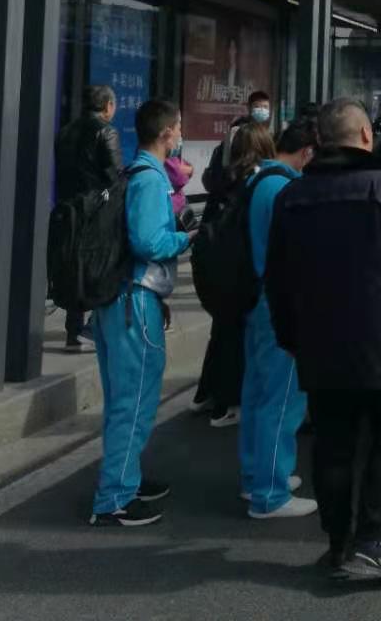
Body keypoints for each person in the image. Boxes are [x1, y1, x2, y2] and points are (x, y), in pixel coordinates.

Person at [264, 98, 381, 582]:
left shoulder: (291, 196)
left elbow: (277, 279)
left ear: (320, 141)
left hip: (320, 346)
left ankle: (339, 543)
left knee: (332, 445)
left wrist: (290, 336)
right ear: (367, 135)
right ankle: (370, 540)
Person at [88, 99, 192, 527]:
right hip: (135, 302)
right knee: (134, 402)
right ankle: (114, 497)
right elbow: (149, 242)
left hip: (117, 299)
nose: (181, 134)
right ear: (166, 133)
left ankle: (124, 479)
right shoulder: (151, 180)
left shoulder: (132, 172)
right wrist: (184, 238)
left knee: (122, 400)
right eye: (179, 127)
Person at [238, 120, 318, 518]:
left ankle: (257, 477)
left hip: (257, 299)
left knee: (257, 394)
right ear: (307, 153)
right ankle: (270, 493)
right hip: (280, 303)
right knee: (282, 399)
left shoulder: (259, 180)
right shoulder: (287, 188)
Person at [190, 120, 275, 427]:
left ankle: (206, 394)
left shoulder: (221, 176)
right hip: (241, 272)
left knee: (221, 334)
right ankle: (226, 404)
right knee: (235, 340)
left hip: (216, 268)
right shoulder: (255, 181)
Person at [53, 85, 122, 351]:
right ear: (108, 106)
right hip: (97, 210)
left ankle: (74, 331)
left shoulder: (66, 131)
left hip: (69, 209)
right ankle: (93, 328)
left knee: (75, 267)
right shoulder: (106, 131)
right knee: (102, 267)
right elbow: (114, 174)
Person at [202, 90, 273, 200]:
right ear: (249, 108)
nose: (262, 110)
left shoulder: (269, 133)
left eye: (265, 107)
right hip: (238, 188)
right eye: (257, 106)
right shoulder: (237, 131)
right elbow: (226, 162)